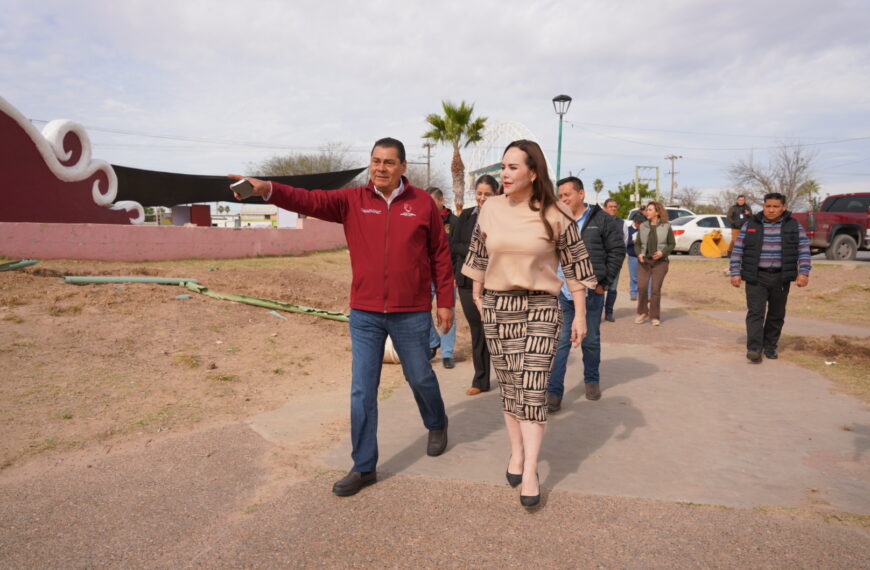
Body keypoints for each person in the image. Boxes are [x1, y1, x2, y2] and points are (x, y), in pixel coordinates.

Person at [228, 137, 452, 497]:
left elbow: (440, 253)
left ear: (403, 167)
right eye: (375, 161)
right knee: (362, 389)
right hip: (365, 313)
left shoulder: (422, 203)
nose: (380, 168)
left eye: (388, 162)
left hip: (410, 311)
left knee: (420, 376)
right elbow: (309, 199)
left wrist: (445, 302)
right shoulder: (352, 201)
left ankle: (437, 422)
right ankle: (364, 466)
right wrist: (267, 188)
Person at [462, 140, 596, 508]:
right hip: (498, 306)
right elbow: (478, 254)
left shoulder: (556, 212)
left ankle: (532, 469)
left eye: (513, 167)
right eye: (502, 167)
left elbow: (575, 265)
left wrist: (580, 314)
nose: (504, 174)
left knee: (533, 388)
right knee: (510, 385)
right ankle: (517, 453)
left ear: (533, 172)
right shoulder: (491, 208)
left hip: (541, 307)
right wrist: (478, 297)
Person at [547, 178, 625, 411]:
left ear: (581, 194)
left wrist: (604, 283)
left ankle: (591, 380)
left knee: (590, 340)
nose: (563, 199)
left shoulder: (602, 220)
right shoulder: (557, 219)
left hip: (592, 292)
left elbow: (617, 251)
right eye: (560, 196)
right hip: (563, 292)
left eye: (567, 195)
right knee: (561, 342)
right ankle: (554, 392)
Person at [729, 192, 811, 363]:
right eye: (768, 206)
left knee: (776, 314)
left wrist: (803, 272)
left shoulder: (793, 225)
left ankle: (770, 346)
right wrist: (735, 272)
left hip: (781, 277)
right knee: (755, 313)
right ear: (763, 206)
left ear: (784, 207)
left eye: (775, 206)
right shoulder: (751, 224)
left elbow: (803, 249)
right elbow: (738, 249)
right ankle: (754, 348)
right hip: (756, 276)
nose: (771, 210)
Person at [451, 175, 500, 395]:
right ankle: (480, 380)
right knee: (477, 329)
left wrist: (474, 251)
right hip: (467, 282)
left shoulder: (502, 217)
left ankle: (509, 377)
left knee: (495, 329)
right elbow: (454, 245)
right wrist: (476, 252)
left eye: (487, 194)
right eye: (479, 193)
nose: (482, 198)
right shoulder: (466, 216)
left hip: (494, 282)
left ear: (496, 194)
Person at [427, 187, 457, 368]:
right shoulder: (422, 219)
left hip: (448, 276)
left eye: (431, 202)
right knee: (420, 310)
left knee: (448, 313)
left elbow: (458, 250)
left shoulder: (454, 222)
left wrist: (455, 274)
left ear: (441, 200)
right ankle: (433, 341)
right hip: (426, 276)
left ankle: (447, 353)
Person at [634, 201, 676, 326]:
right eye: (647, 209)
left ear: (657, 212)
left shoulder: (666, 226)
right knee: (642, 287)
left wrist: (662, 253)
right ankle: (643, 312)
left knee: (655, 289)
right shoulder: (643, 226)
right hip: (644, 262)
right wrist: (639, 253)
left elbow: (672, 244)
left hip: (660, 263)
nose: (647, 212)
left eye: (650, 210)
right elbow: (637, 244)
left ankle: (654, 316)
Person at [601, 198, 629, 322]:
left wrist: (618, 258)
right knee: (599, 288)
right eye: (610, 206)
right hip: (601, 261)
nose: (613, 208)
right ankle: (597, 312)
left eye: (615, 207)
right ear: (605, 208)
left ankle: (609, 313)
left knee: (612, 288)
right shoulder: (599, 221)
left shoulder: (622, 223)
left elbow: (625, 242)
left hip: (615, 262)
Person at [626, 212, 645, 301]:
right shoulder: (628, 230)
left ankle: (643, 293)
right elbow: (624, 242)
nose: (640, 225)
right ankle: (633, 293)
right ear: (635, 222)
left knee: (644, 276)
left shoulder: (644, 230)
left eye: (642, 223)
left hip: (644, 255)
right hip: (633, 256)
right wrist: (632, 242)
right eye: (639, 223)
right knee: (634, 276)